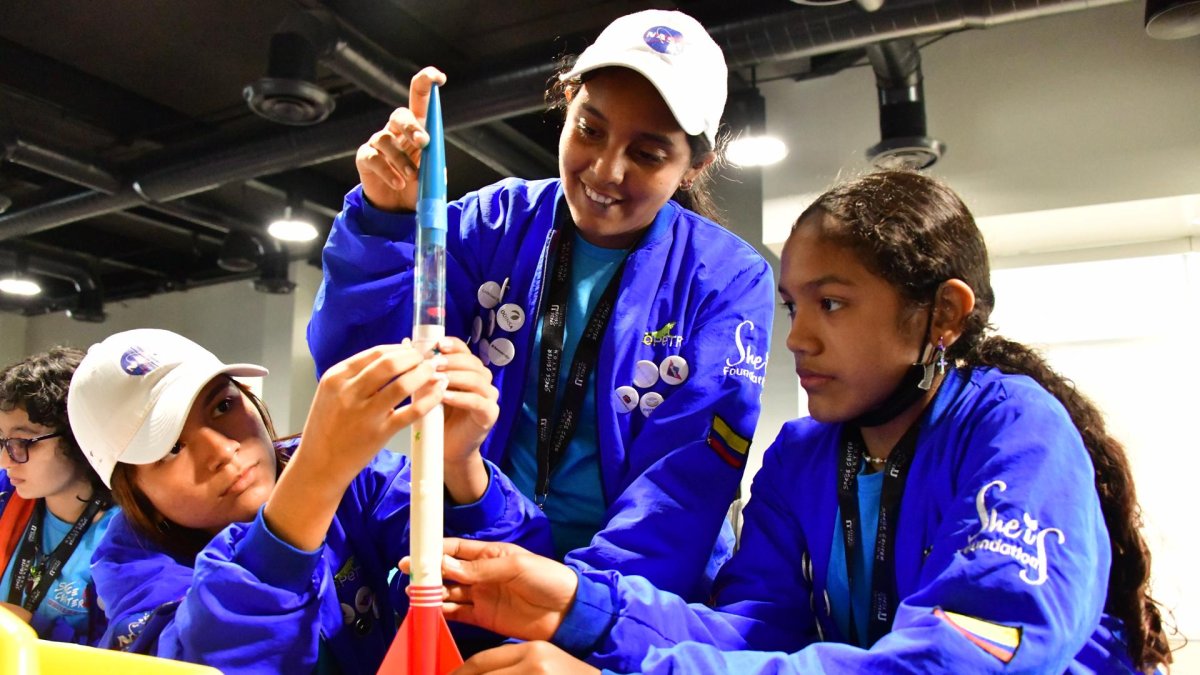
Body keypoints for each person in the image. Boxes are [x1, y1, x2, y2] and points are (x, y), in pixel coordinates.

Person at [411, 170, 1172, 674]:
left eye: (832, 303)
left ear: (942, 313)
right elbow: (754, 634)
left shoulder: (1013, 431)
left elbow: (960, 654)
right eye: (791, 305)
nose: (798, 338)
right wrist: (581, 605)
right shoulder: (800, 458)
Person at [307, 9, 775, 602]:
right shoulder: (491, 226)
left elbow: (684, 491)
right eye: (590, 129)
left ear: (695, 165)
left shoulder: (725, 280)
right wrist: (389, 221)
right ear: (569, 103)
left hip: (638, 595)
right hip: (482, 549)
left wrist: (581, 607)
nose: (607, 169)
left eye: (649, 154)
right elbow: (355, 368)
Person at [65, 328, 550, 674]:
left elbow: (498, 586)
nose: (221, 450)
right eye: (169, 447)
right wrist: (316, 476)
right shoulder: (132, 564)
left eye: (222, 405)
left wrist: (457, 465)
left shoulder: (357, 478)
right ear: (129, 490)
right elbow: (205, 660)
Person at [0, 347, 114, 645]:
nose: (6, 459)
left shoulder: (130, 535)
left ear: (78, 435)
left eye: (23, 442)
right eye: (2, 441)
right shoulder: (6, 495)